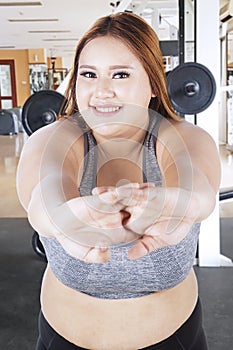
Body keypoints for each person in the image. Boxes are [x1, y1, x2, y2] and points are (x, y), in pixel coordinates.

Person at [16, 12, 221, 350]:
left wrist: (180, 206)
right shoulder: (52, 139)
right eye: (89, 74)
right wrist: (66, 222)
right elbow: (45, 197)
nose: (101, 91)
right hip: (62, 340)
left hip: (176, 340)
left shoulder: (186, 139)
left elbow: (197, 188)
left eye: (121, 74)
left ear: (154, 83)